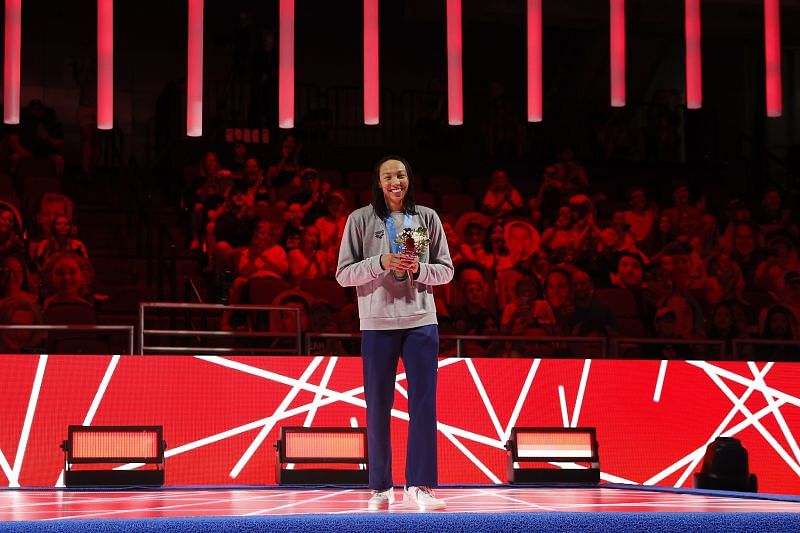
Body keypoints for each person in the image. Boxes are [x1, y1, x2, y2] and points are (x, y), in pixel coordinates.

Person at [336, 155, 453, 511]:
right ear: (379, 181)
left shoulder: (426, 218)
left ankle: (420, 486)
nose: (395, 182)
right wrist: (380, 263)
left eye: (400, 175)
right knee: (377, 407)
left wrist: (419, 268)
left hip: (420, 320)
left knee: (423, 405)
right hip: (377, 324)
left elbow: (446, 270)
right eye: (388, 176)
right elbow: (343, 275)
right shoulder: (359, 220)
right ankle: (380, 487)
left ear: (408, 179)